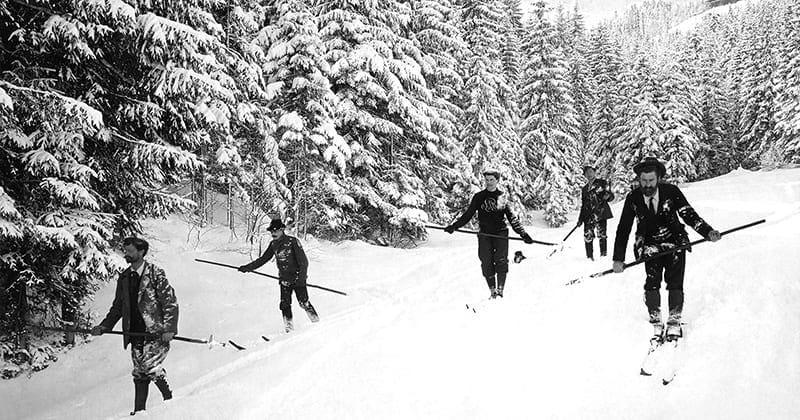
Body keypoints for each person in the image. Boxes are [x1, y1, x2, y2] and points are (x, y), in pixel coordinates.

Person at [612, 157, 721, 341]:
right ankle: (655, 320)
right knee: (652, 283)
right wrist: (618, 258)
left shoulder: (671, 192)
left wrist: (708, 232)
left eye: (651, 181)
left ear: (659, 178)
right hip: (649, 246)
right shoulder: (633, 197)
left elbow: (689, 214)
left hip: (675, 243)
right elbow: (623, 228)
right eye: (643, 181)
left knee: (675, 283)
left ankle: (674, 321)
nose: (647, 185)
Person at [91, 237, 178, 416]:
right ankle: (139, 412)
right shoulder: (124, 277)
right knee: (140, 372)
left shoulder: (155, 273)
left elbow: (170, 303)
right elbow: (117, 307)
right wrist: (104, 326)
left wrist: (169, 328)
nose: (126, 255)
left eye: (130, 251)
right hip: (134, 332)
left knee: (150, 366)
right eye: (126, 251)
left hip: (156, 332)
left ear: (141, 252)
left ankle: (171, 401)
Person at [444, 168, 535, 299]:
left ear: (497, 180)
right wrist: (454, 226)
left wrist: (523, 234)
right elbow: (468, 214)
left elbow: (511, 218)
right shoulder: (479, 197)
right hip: (485, 234)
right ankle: (492, 291)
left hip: (500, 233)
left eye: (492, 179)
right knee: (486, 261)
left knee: (501, 261)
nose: (489, 182)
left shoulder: (501, 197)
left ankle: (500, 289)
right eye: (487, 180)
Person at [238, 218, 319, 333]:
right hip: (284, 280)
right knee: (284, 304)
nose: (273, 233)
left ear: (282, 230)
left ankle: (316, 322)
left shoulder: (293, 242)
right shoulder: (273, 244)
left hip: (297, 279)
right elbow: (263, 259)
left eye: (275, 231)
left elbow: (304, 263)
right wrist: (247, 268)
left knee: (303, 303)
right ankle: (289, 329)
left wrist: (301, 280)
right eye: (271, 231)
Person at [576, 164, 615, 260]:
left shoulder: (602, 183)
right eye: (586, 173)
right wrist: (580, 219)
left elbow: (610, 196)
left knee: (602, 235)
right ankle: (589, 257)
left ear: (594, 172)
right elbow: (584, 204)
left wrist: (608, 196)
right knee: (588, 236)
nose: (589, 174)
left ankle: (603, 256)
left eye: (590, 172)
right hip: (588, 215)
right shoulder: (584, 189)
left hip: (600, 213)